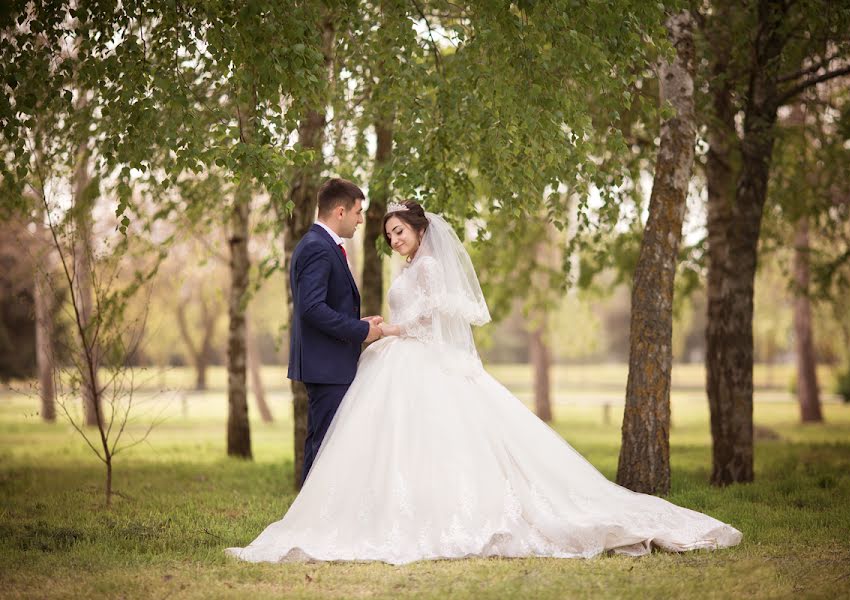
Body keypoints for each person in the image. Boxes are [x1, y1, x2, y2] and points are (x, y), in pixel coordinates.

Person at [227, 200, 742, 565]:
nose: (393, 240)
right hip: (397, 355)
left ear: (420, 229)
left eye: (399, 232)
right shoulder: (412, 269)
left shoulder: (428, 270)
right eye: (388, 236)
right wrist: (383, 328)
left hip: (417, 358)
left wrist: (387, 328)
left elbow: (432, 322)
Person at [286, 178, 383, 487]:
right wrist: (361, 331)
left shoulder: (320, 245)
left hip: (326, 364)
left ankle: (309, 519)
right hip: (326, 367)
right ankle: (311, 522)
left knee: (323, 444)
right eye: (358, 212)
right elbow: (311, 308)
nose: (361, 220)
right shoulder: (318, 248)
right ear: (340, 212)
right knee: (327, 447)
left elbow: (322, 304)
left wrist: (360, 322)